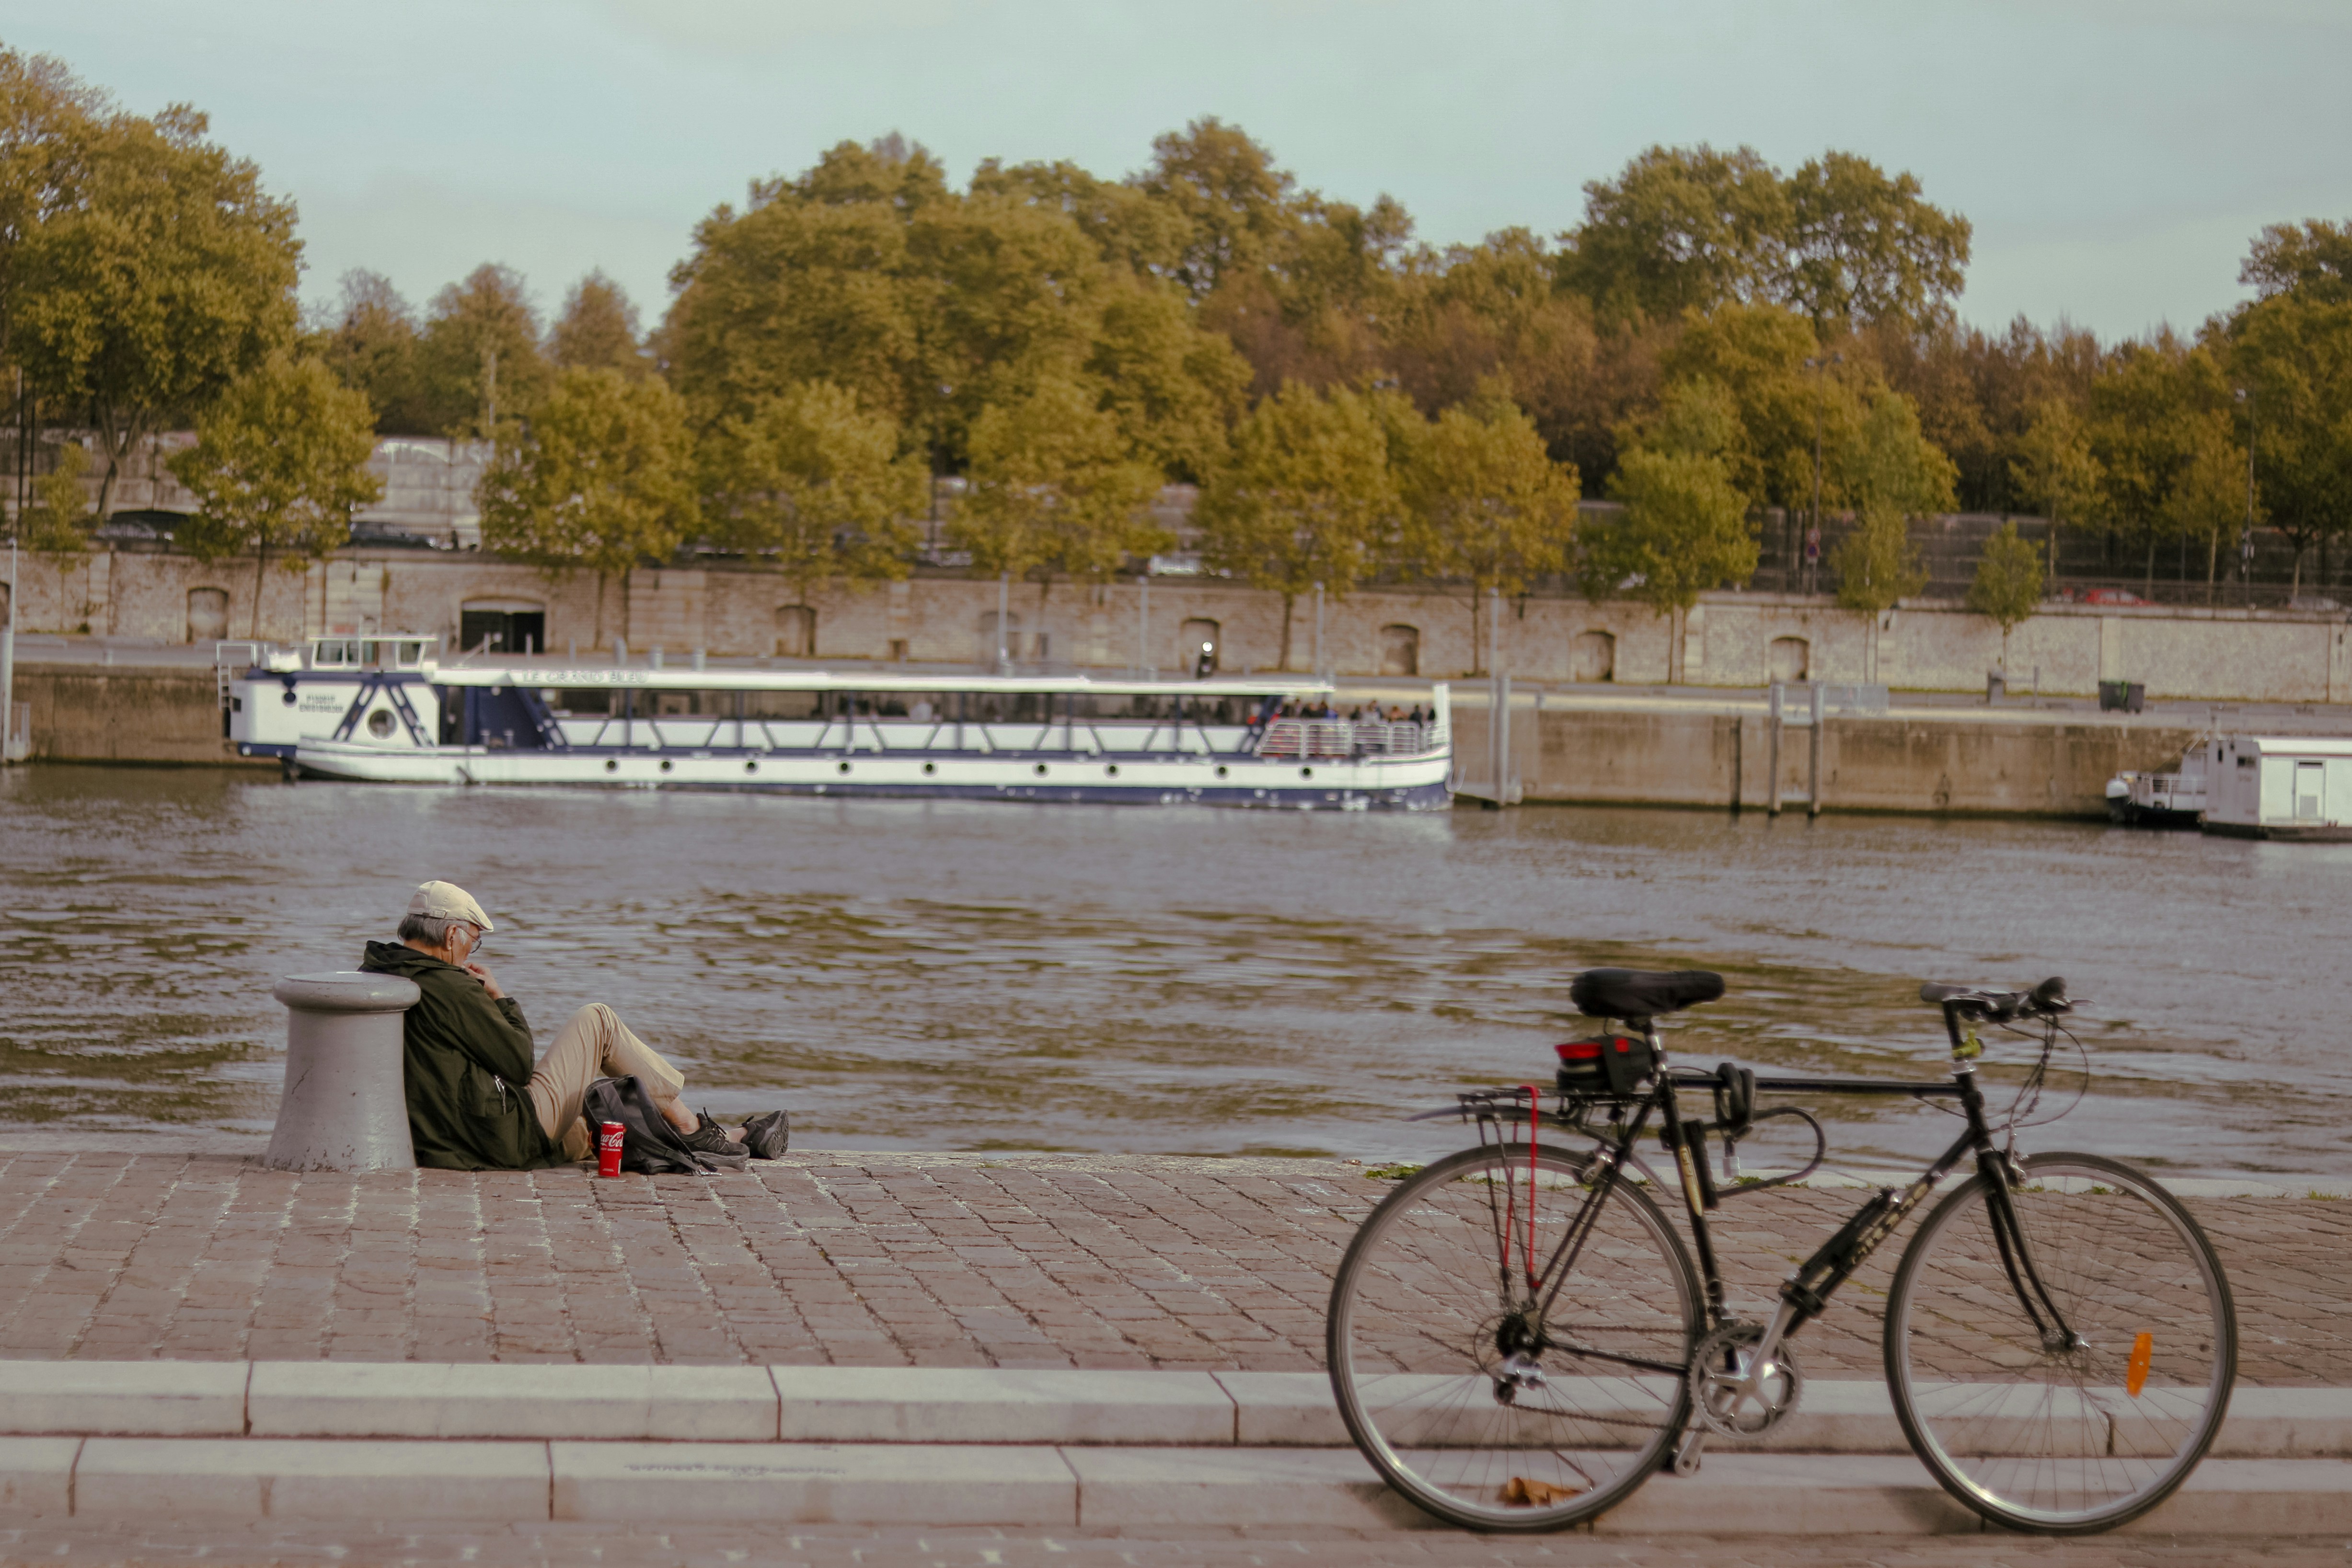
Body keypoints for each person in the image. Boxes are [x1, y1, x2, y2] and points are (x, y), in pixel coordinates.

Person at [361, 880, 788, 1171]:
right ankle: (691, 1128)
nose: (473, 947)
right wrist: (500, 998)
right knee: (597, 1020)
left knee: (594, 1127)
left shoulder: (380, 973)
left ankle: (732, 1138)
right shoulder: (449, 986)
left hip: (446, 1142)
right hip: (496, 1133)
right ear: (452, 934)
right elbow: (516, 1062)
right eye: (474, 938)